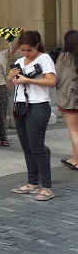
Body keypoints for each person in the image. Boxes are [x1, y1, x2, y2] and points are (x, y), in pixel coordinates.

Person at [7, 31, 57, 201]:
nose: (26, 53)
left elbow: (52, 81)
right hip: (20, 105)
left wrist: (28, 80)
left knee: (37, 147)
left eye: (29, 50)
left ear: (36, 46)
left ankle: (47, 187)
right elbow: (9, 87)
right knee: (27, 147)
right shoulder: (19, 62)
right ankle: (32, 183)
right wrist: (10, 78)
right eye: (23, 50)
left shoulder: (44, 59)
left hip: (38, 104)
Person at [55, 30, 78, 170]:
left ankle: (77, 160)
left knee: (73, 130)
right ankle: (74, 157)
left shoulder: (64, 57)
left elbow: (56, 77)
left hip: (69, 97)